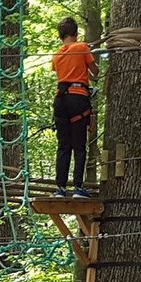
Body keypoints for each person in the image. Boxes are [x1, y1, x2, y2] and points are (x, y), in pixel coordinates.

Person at [51, 18, 98, 198]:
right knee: (79, 145)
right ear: (76, 33)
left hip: (60, 100)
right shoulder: (81, 48)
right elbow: (95, 72)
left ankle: (60, 188)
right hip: (77, 98)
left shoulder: (57, 54)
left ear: (60, 36)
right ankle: (78, 187)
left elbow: (59, 71)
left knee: (63, 146)